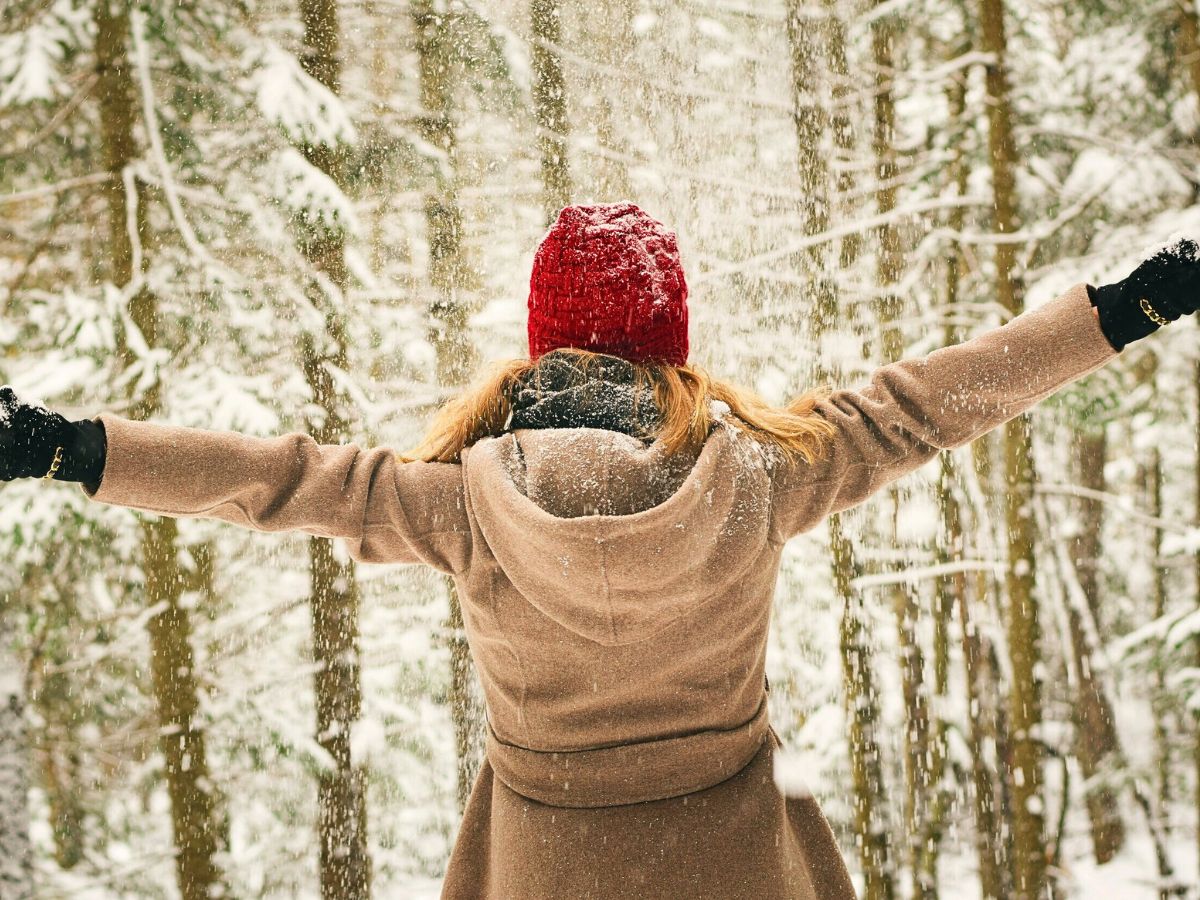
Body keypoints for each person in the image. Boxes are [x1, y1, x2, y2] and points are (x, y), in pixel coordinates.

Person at [1, 202, 1198, 899]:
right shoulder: (763, 476)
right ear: (670, 345)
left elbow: (272, 482)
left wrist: (65, 448)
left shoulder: (461, 503)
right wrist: (1133, 303)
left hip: (544, 867)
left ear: (539, 348)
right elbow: (932, 401)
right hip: (735, 869)